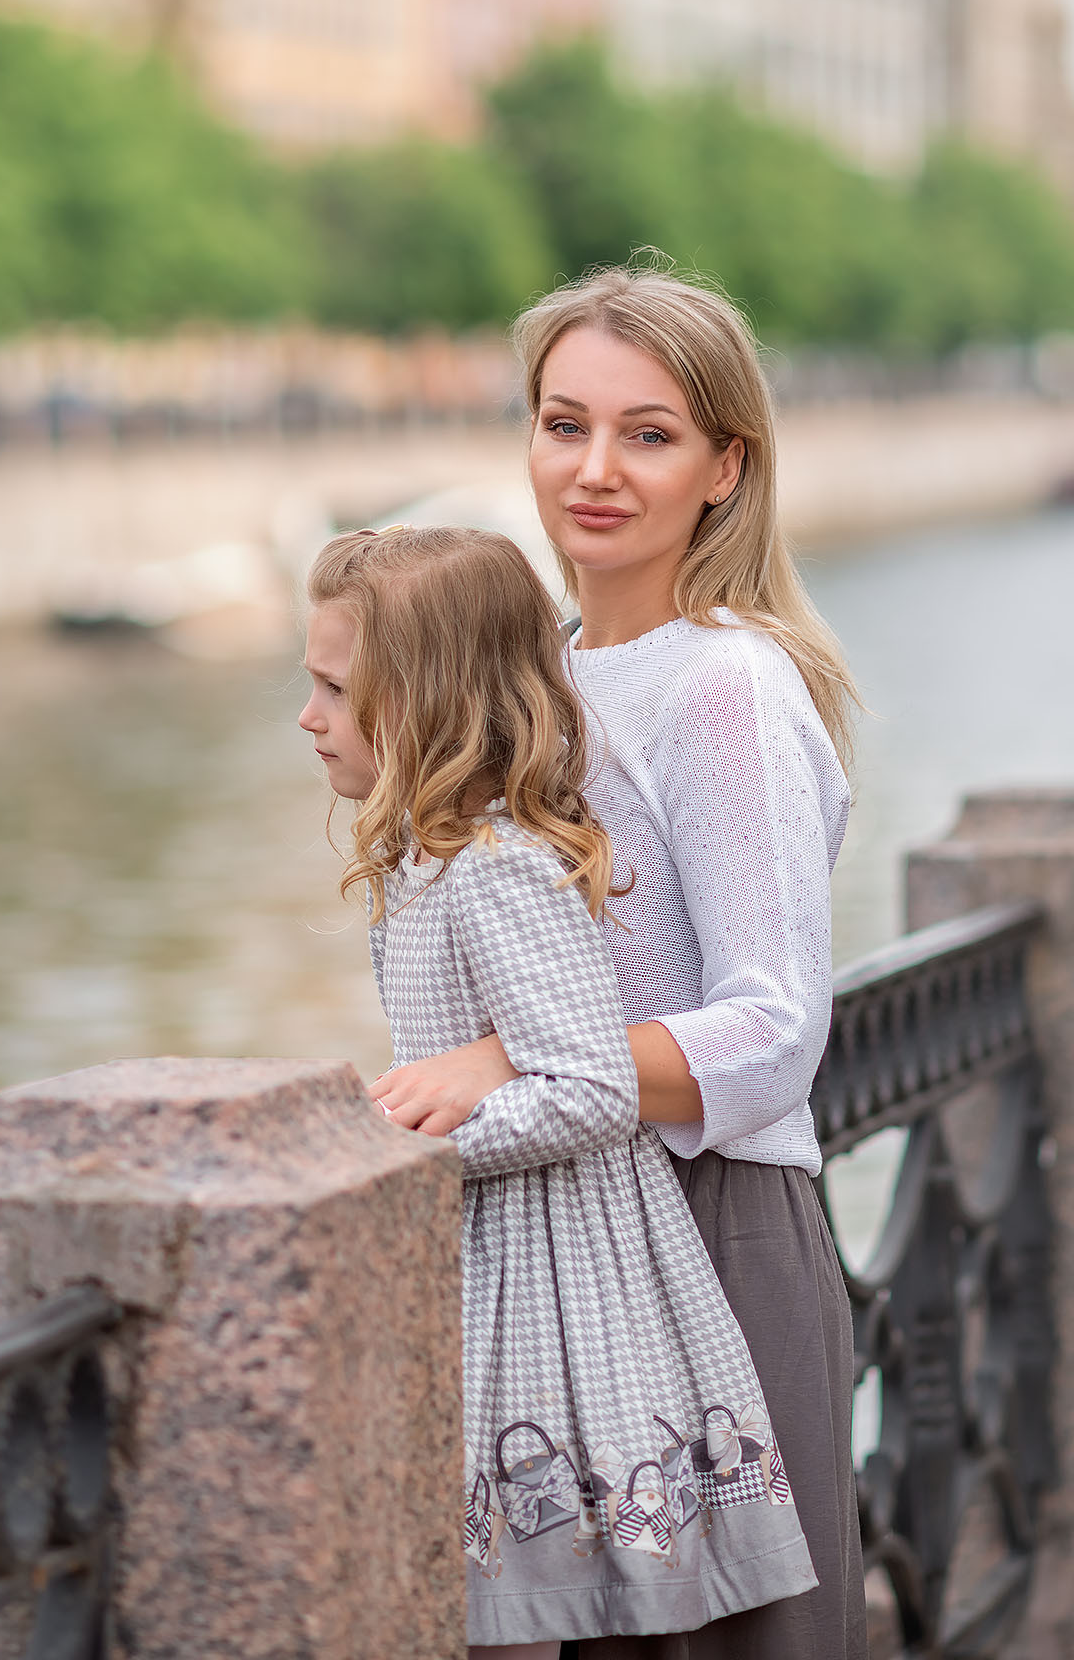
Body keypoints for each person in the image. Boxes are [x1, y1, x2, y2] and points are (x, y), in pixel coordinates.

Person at [369, 268, 868, 1660]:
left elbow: (774, 1032)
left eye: (647, 434)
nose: (594, 470)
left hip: (711, 1228)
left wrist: (507, 1062)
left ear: (726, 465)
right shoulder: (560, 666)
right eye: (562, 423)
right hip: (570, 1230)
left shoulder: (723, 685)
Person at [299, 525, 818, 1659]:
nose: (309, 717)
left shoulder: (494, 870)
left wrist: (422, 1149)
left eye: (335, 689)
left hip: (553, 1257)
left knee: (552, 1603)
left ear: (422, 702)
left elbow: (584, 1088)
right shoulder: (436, 860)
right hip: (506, 1244)